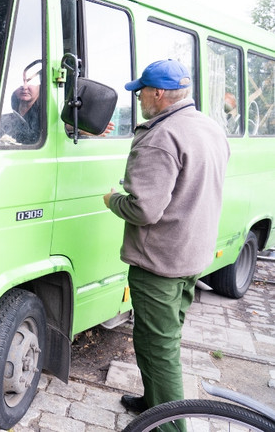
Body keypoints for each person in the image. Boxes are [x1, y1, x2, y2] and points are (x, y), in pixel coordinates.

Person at [102, 59, 230, 417]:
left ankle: (169, 425)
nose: (139, 96)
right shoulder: (208, 127)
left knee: (159, 351)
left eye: (142, 90)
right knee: (160, 340)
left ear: (158, 93)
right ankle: (152, 403)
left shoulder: (160, 137)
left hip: (160, 264)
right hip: (193, 254)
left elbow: (144, 210)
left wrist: (113, 200)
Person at [0, 60, 42, 144]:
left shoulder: (46, 115)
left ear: (40, 86)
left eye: (31, 82)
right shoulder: (4, 111)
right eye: (20, 82)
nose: (24, 87)